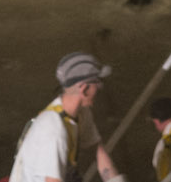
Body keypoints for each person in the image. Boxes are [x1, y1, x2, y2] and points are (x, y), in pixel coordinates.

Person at [10, 52, 124, 182]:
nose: (99, 88)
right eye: (97, 84)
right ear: (84, 89)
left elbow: (98, 151)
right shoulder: (53, 128)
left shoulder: (81, 113)